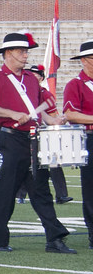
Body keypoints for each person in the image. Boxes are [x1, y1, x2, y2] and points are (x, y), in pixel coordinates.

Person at [0, 32, 74, 253]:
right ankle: (0, 239)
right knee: (7, 190)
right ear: (8, 53)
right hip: (11, 139)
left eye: (26, 51)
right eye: (22, 51)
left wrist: (53, 121)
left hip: (33, 140)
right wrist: (11, 113)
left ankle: (54, 238)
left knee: (41, 190)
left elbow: (38, 111)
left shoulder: (31, 79)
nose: (26, 55)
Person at [16, 64, 71, 205]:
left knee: (53, 161)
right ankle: (20, 194)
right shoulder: (23, 92)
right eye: (30, 74)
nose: (32, 77)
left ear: (41, 78)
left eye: (35, 74)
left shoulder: (45, 95)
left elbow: (52, 118)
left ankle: (61, 195)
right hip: (25, 132)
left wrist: (60, 120)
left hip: (43, 134)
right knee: (26, 162)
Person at [61, 39, 93, 250]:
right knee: (91, 189)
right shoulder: (75, 84)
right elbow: (70, 114)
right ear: (84, 60)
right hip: (89, 139)